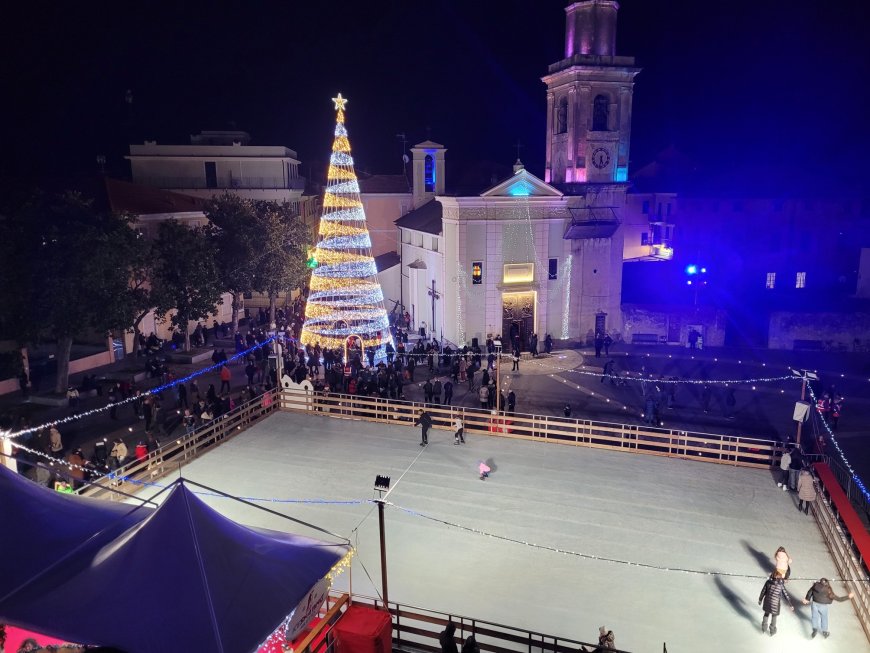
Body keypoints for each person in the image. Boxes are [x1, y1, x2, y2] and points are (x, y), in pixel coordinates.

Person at [759, 570, 794, 636]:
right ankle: (772, 631)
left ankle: (764, 628)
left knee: (766, 614)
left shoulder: (768, 582)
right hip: (775, 604)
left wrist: (760, 599)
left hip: (767, 601)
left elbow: (763, 591)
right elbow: (786, 594)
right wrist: (790, 604)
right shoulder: (781, 585)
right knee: (774, 616)